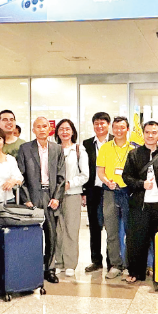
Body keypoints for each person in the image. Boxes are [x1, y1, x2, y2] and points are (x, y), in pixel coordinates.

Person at [17, 117, 66, 284]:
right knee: (33, 234)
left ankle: (49, 269)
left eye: (45, 126)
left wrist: (57, 198)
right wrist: (26, 199)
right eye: (38, 127)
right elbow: (20, 176)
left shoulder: (57, 149)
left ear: (49, 129)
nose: (42, 129)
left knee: (52, 234)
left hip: (51, 195)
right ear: (33, 130)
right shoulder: (24, 149)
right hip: (32, 196)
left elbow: (61, 176)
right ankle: (32, 268)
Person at [122, 121, 158, 283]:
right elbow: (126, 177)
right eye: (147, 132)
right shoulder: (133, 154)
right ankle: (136, 272)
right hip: (139, 205)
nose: (150, 135)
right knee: (137, 240)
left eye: (154, 132)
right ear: (143, 134)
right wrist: (141, 184)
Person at [96, 116, 134, 279]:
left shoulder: (133, 149)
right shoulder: (105, 148)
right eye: (116, 127)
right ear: (112, 129)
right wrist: (107, 181)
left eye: (122, 127)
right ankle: (115, 264)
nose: (119, 130)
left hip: (128, 193)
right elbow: (100, 171)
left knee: (129, 231)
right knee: (111, 230)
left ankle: (129, 265)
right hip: (110, 192)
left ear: (127, 129)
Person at [53, 119, 88, 277]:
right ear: (57, 132)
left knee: (71, 230)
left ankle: (70, 264)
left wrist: (69, 184)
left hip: (72, 194)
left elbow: (85, 175)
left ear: (73, 132)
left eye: (68, 129)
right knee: (57, 229)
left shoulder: (79, 150)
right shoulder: (53, 149)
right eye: (61, 129)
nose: (65, 132)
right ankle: (57, 262)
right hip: (55, 196)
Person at [82, 112, 113, 273]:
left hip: (111, 189)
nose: (99, 126)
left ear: (108, 125)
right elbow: (83, 168)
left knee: (111, 226)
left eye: (103, 123)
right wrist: (83, 192)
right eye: (96, 123)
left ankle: (112, 261)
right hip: (93, 190)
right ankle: (96, 260)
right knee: (94, 226)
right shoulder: (86, 144)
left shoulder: (115, 141)